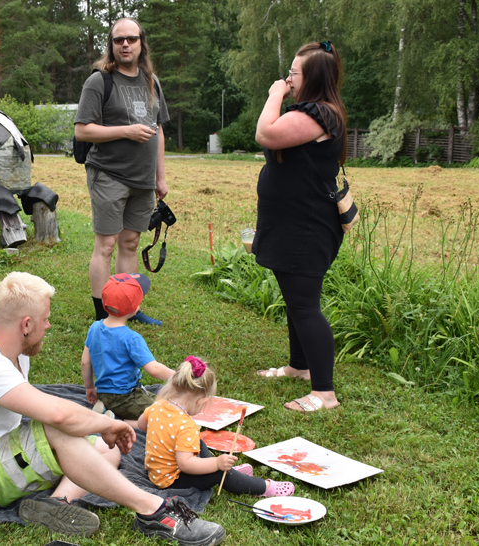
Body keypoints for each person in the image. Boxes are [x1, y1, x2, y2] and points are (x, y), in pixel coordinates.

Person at [0, 272, 225, 545]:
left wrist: (98, 427)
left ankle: (55, 503)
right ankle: (153, 511)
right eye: (45, 319)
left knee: (108, 451)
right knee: (58, 427)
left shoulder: (11, 351)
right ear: (26, 325)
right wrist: (109, 424)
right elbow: (58, 415)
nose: (49, 325)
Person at [252, 41, 346, 413]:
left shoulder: (319, 114)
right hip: (293, 221)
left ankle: (324, 393)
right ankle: (299, 367)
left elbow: (265, 133)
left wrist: (275, 93)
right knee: (296, 300)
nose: (288, 79)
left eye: (294, 73)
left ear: (314, 78)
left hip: (307, 226)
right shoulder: (315, 111)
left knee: (305, 306)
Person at [74, 17, 170, 326]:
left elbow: (158, 130)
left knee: (130, 243)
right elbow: (82, 130)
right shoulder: (99, 81)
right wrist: (126, 131)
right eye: (119, 40)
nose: (125, 44)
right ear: (111, 45)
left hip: (143, 179)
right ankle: (103, 315)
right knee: (105, 246)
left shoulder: (152, 81)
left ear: (142, 43)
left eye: (131, 39)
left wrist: (160, 177)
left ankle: (127, 308)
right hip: (109, 174)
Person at [139, 356, 295, 497]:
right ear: (200, 401)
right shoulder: (186, 426)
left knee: (199, 443)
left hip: (156, 474)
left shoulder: (158, 405)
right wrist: (216, 464)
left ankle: (231, 474)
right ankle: (264, 487)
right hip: (172, 482)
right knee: (219, 473)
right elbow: (185, 464)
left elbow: (141, 424)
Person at [81, 273, 174, 427]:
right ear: (136, 309)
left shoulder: (95, 327)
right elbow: (154, 369)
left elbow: (85, 362)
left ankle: (106, 408)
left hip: (102, 394)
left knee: (162, 403)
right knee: (164, 416)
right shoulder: (132, 338)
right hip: (125, 397)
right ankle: (116, 421)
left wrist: (90, 388)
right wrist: (177, 375)